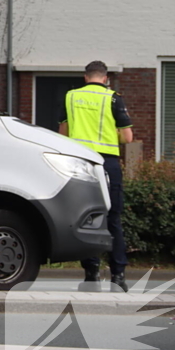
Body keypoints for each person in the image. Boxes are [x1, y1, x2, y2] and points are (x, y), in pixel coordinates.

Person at [59, 61, 134, 292]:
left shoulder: (70, 97)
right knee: (113, 219)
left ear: (85, 77)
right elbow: (127, 138)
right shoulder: (113, 98)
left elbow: (63, 133)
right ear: (105, 78)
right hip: (107, 163)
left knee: (87, 218)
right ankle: (118, 276)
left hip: (80, 162)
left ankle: (91, 273)